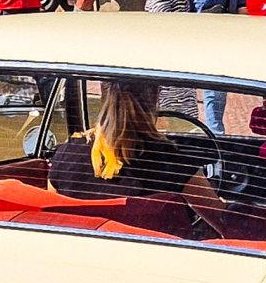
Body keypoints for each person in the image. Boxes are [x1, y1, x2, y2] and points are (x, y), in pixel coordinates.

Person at [48, 80, 225, 232]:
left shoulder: (64, 155)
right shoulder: (172, 160)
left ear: (103, 93)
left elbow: (53, 218)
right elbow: (222, 222)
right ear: (156, 95)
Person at [181, 0, 247, 134]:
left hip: (226, 44)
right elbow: (184, 15)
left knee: (219, 94)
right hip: (205, 44)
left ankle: (214, 135)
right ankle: (216, 137)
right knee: (211, 94)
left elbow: (243, 12)